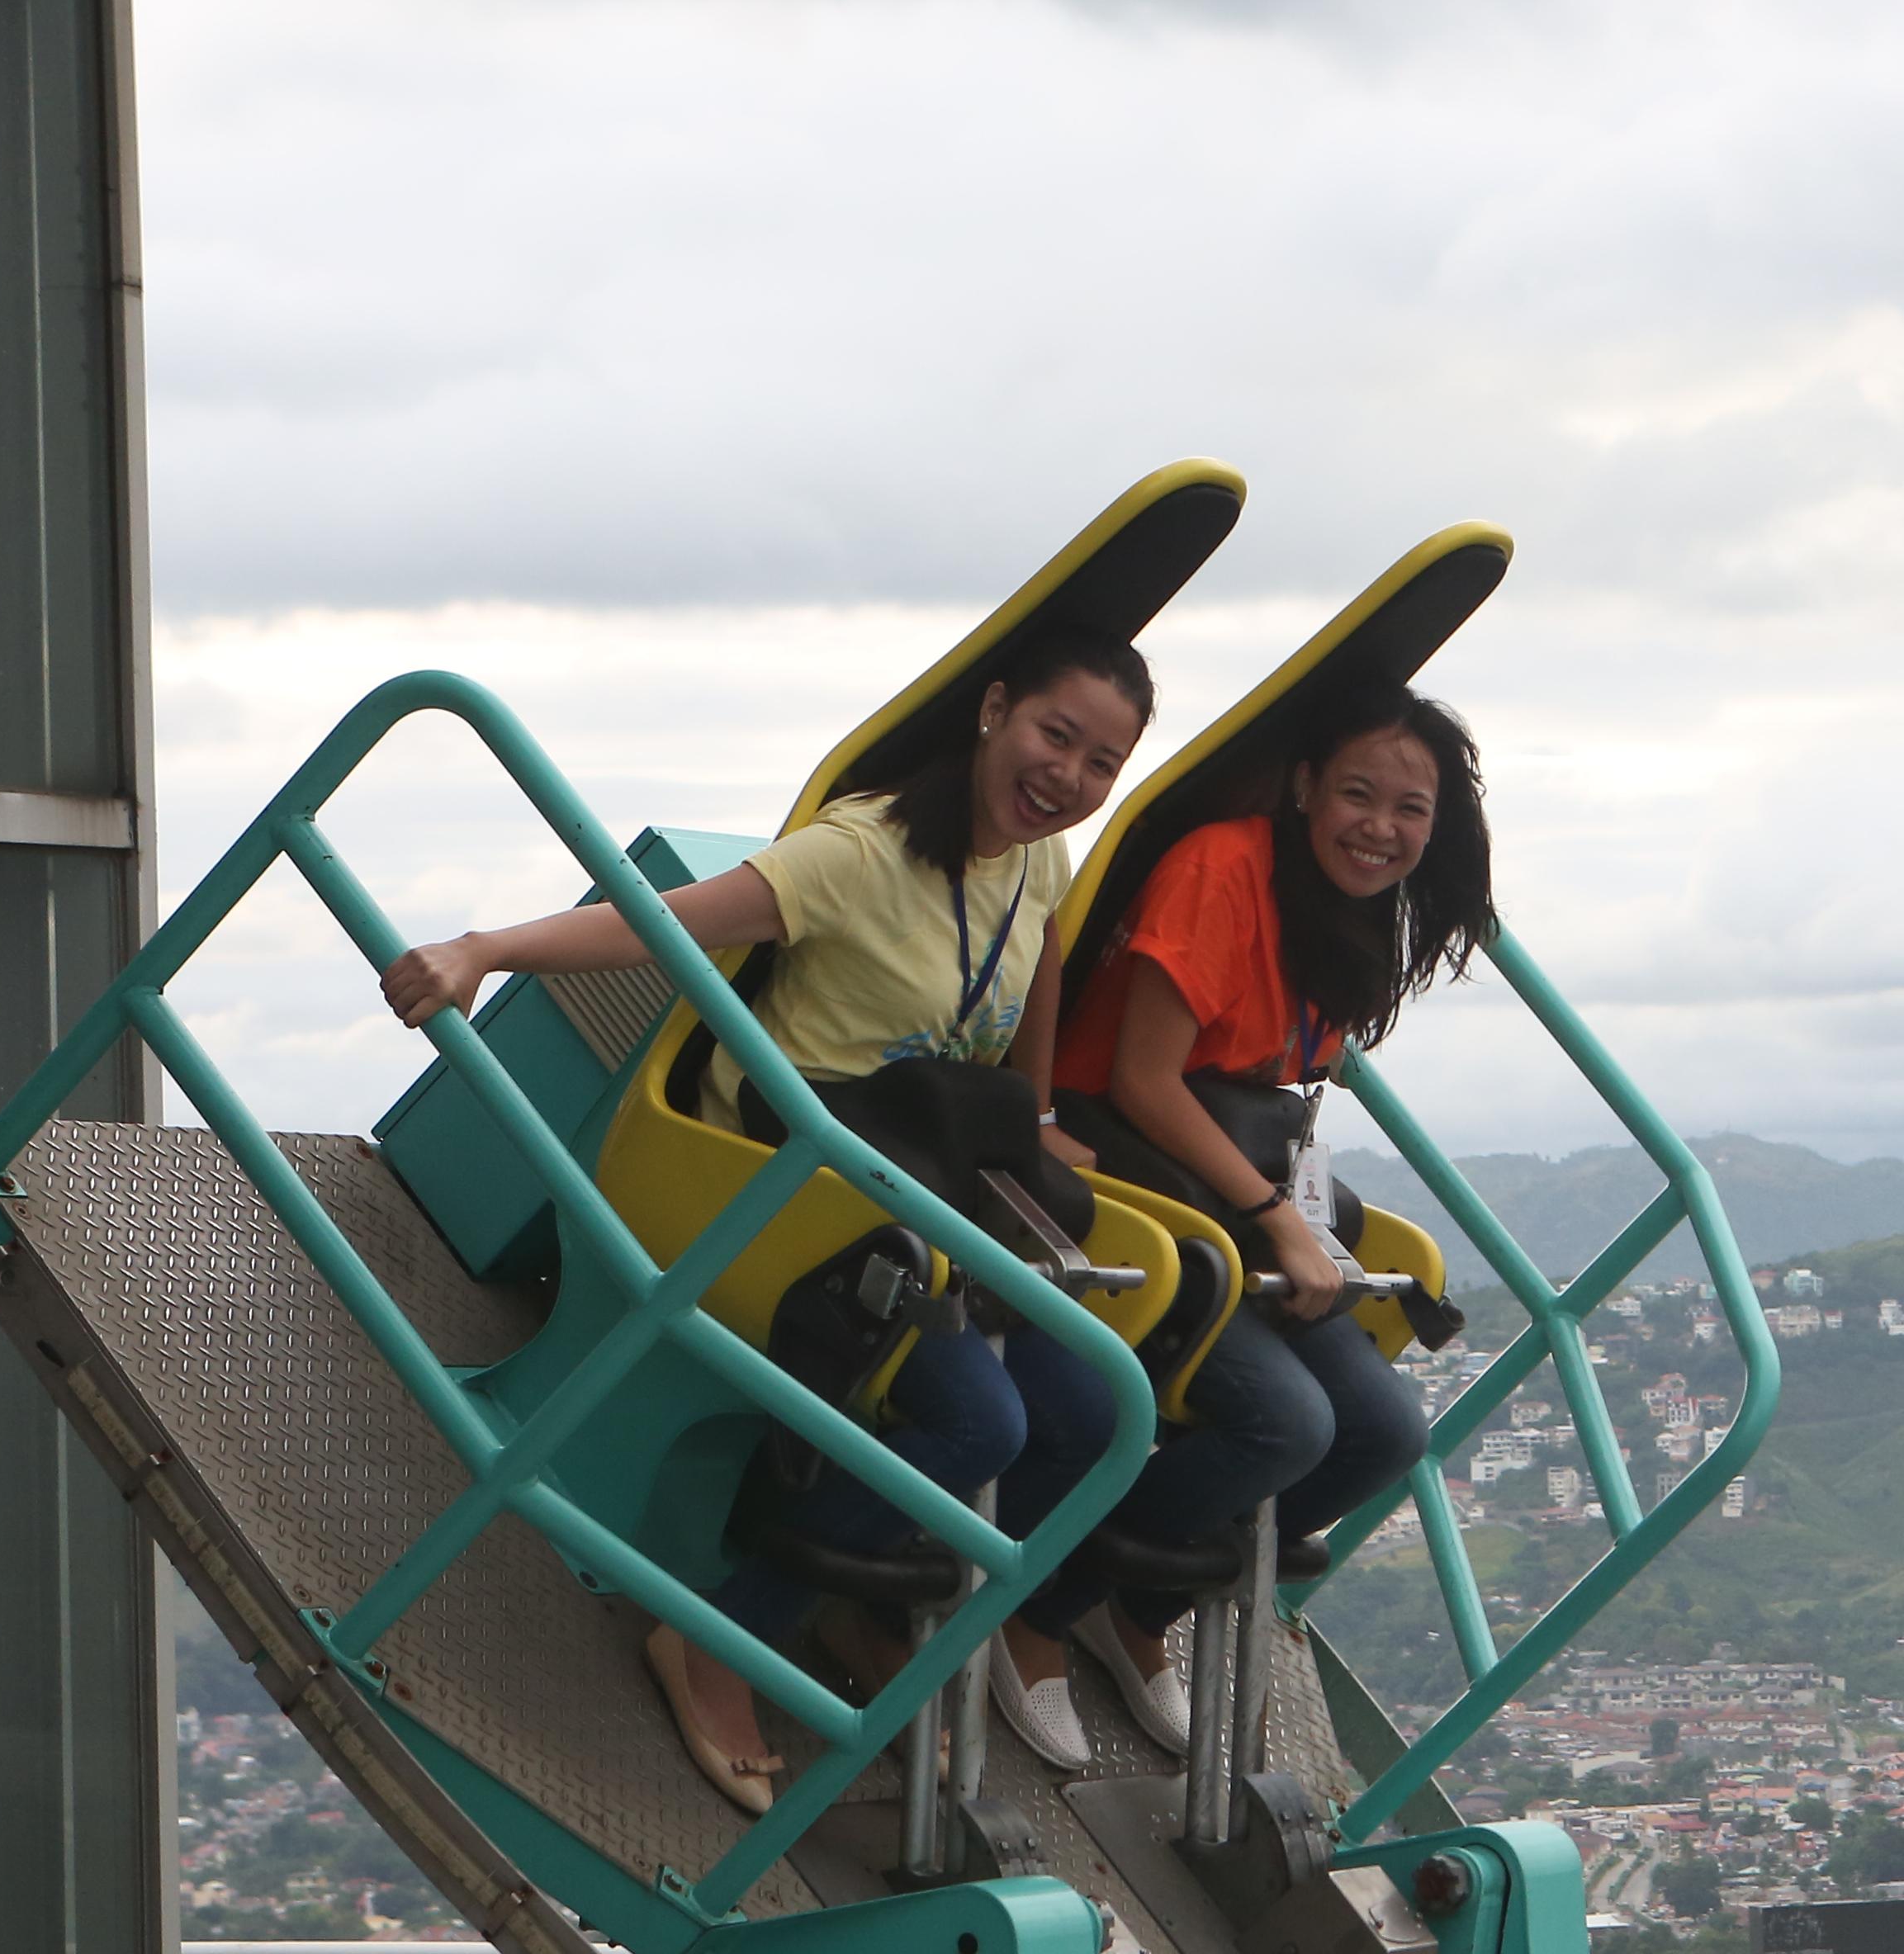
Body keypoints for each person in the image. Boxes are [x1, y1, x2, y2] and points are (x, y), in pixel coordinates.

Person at [378, 625, 1157, 1810]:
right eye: (1058, 735)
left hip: (919, 1192)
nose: (1070, 778)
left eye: (1103, 763)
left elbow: (1040, 947)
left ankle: (861, 1597)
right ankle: (718, 1639)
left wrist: (1036, 1112)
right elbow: (662, 919)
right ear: (995, 708)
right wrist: (481, 948)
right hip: (796, 1191)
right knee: (979, 1424)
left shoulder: (1033, 864)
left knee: (1095, 1411)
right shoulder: (861, 851)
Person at [1035, 684, 1492, 1748]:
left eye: (1410, 811)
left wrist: (1293, 1216)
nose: (1380, 830)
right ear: (1303, 788)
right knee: (1286, 1422)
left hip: (1226, 1199)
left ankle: (1135, 1607)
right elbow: (1146, 1082)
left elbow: (1284, 1099)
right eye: (1357, 795)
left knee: (1382, 1435)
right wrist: (1274, 1220)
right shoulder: (1224, 870)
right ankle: (1039, 1613)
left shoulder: (1349, 916)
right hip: (1127, 1183)